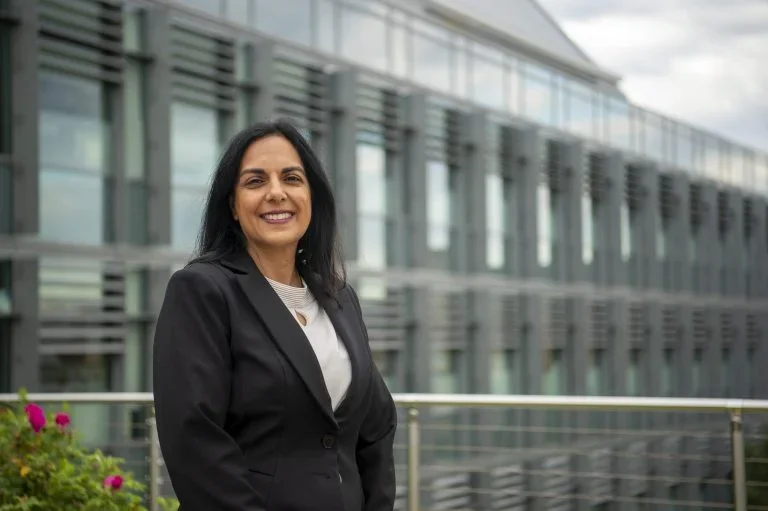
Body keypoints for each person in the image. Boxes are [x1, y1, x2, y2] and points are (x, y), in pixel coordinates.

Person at [152, 119, 397, 511]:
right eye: (255, 181)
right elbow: (194, 440)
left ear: (311, 196)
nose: (276, 193)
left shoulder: (340, 298)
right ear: (232, 205)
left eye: (291, 178)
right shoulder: (202, 290)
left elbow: (376, 427)